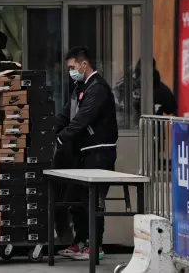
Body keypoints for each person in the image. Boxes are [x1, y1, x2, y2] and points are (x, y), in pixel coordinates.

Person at [55, 47, 118, 261]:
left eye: (72, 67)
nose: (70, 71)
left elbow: (83, 118)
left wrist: (62, 137)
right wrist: (49, 132)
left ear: (84, 64)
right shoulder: (79, 88)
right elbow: (66, 115)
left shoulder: (98, 88)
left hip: (99, 152)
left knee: (94, 200)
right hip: (82, 153)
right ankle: (81, 241)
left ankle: (95, 246)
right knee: (76, 199)